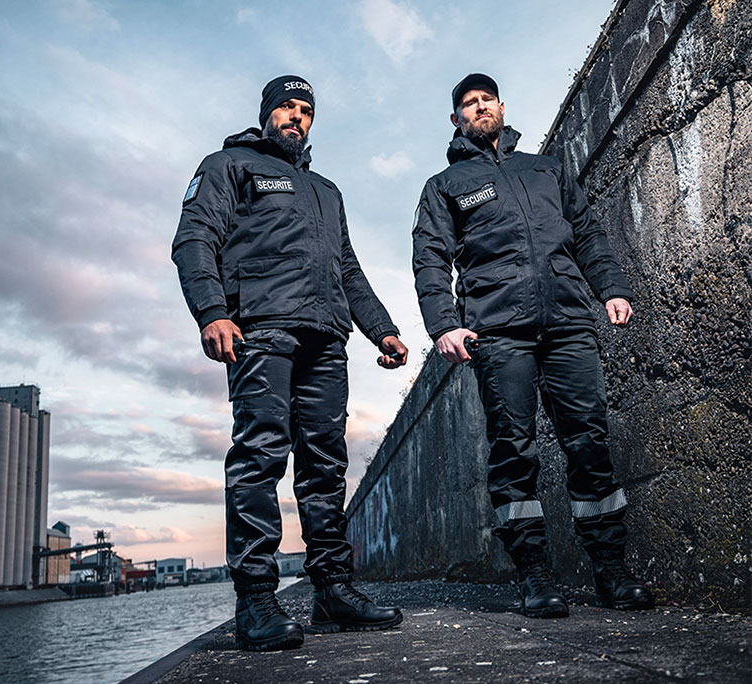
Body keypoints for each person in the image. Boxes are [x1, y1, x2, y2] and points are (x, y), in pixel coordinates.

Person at [172, 75, 407, 650]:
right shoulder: (230, 165)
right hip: (260, 328)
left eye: (306, 110)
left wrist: (382, 329)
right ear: (267, 113)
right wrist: (212, 312)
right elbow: (194, 239)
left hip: (326, 337)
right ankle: (256, 600)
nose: (297, 116)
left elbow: (348, 268)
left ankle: (333, 590)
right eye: (287, 106)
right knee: (260, 456)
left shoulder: (326, 190)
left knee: (325, 464)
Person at [412, 73, 654, 618]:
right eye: (468, 104)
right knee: (513, 449)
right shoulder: (445, 185)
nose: (479, 108)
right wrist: (443, 325)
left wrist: (612, 288)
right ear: (455, 119)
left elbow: (587, 233)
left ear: (501, 106)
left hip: (567, 321)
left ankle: (611, 570)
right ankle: (534, 575)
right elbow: (430, 258)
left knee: (589, 440)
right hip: (498, 331)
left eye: (486, 100)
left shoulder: (545, 168)